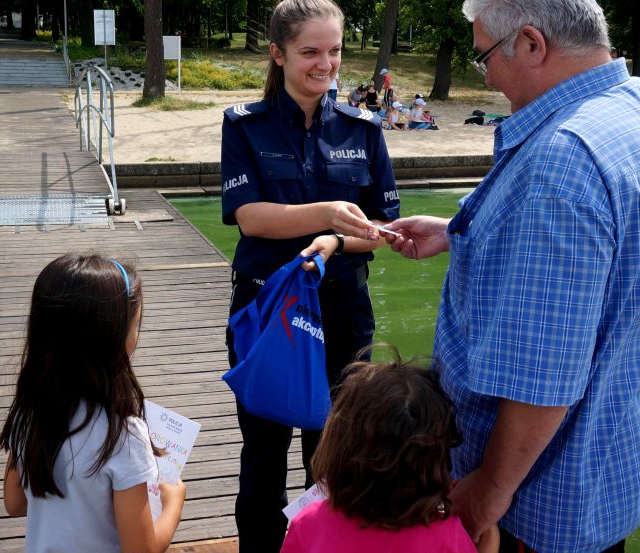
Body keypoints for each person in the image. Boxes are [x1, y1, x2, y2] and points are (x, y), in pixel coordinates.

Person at [384, 0, 640, 551]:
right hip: (613, 461)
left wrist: (489, 491)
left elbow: (545, 375)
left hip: (541, 498)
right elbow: (609, 252)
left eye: (485, 57)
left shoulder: (563, 157)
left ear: (531, 43)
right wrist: (461, 229)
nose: (487, 76)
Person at [220, 0, 401, 551]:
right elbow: (249, 217)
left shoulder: (364, 129)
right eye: (310, 52)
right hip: (267, 314)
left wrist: (336, 238)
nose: (326, 64)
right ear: (278, 54)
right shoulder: (242, 127)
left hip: (344, 314)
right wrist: (325, 214)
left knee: (338, 455)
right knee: (264, 456)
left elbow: (383, 226)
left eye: (335, 50)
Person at [0, 254, 186, 553]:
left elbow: (14, 503)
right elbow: (141, 550)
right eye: (136, 324)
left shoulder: (29, 411)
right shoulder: (123, 436)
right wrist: (173, 505)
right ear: (116, 336)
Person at [281, 348, 491, 553]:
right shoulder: (448, 537)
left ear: (339, 446)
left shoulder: (309, 525)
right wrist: (491, 540)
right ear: (436, 463)